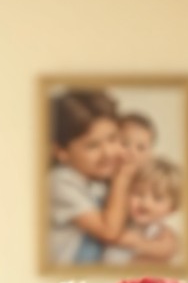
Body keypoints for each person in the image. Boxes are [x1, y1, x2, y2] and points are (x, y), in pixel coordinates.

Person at [47, 89, 134, 265]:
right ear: (61, 151)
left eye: (113, 139)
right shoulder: (60, 181)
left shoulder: (97, 181)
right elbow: (109, 232)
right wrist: (122, 178)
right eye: (93, 146)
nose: (109, 152)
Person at [102, 157, 183, 265]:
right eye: (138, 194)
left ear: (172, 208)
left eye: (157, 198)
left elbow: (168, 249)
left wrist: (137, 242)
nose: (145, 203)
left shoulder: (162, 233)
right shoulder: (119, 221)